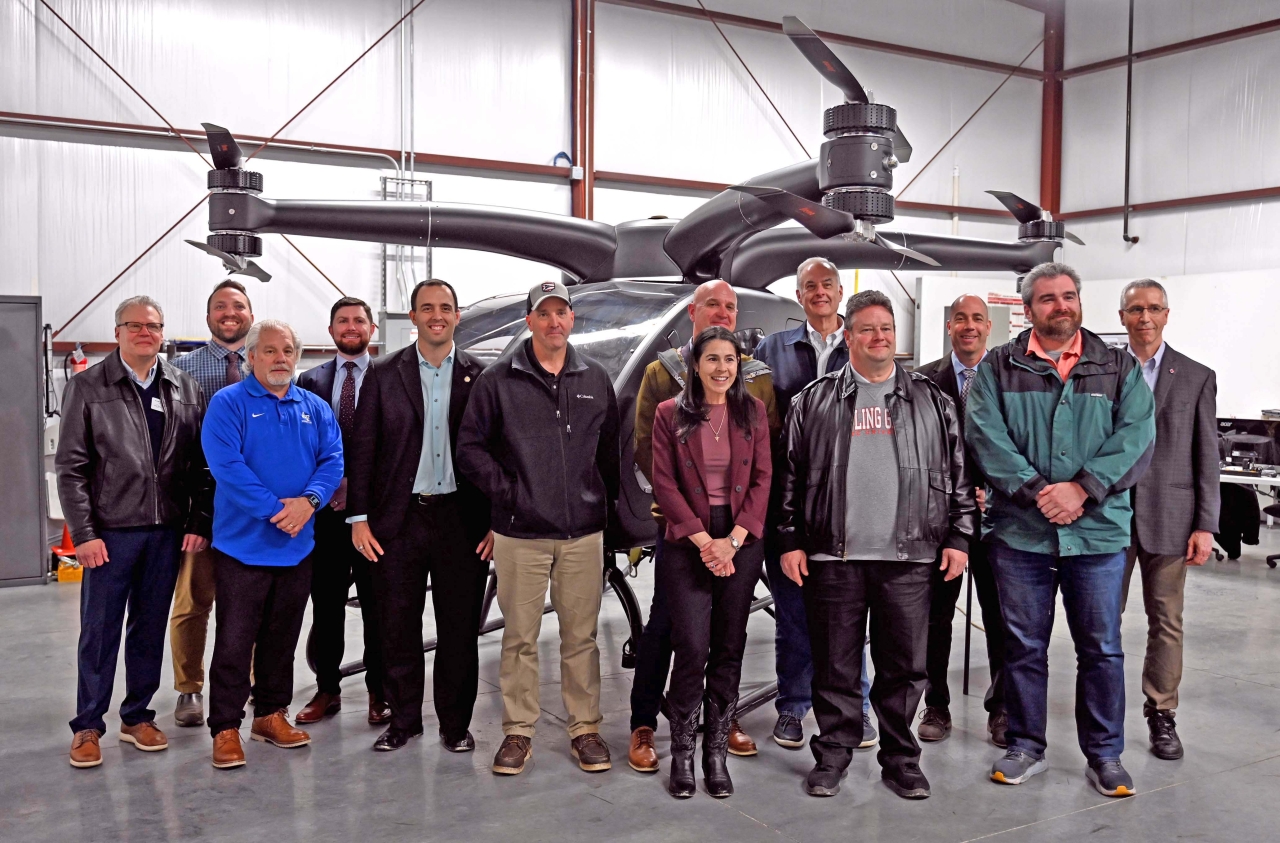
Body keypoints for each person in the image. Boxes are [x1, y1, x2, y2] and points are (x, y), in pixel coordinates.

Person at [966, 262, 1155, 798]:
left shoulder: (1116, 367)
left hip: (1097, 536)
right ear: (1027, 310)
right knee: (1023, 645)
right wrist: (1036, 492)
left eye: (1068, 296)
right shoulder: (997, 368)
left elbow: (1137, 436)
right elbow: (985, 437)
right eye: (1047, 299)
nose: (1061, 306)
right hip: (1020, 533)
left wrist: (1082, 489)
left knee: (1101, 647)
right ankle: (1026, 744)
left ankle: (1105, 754)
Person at [778, 290, 975, 800]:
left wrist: (958, 536)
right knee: (835, 665)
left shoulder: (933, 400)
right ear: (848, 336)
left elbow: (957, 475)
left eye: (886, 327)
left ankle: (901, 760)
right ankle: (834, 756)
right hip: (834, 556)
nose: (879, 337)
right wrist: (791, 539)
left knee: (905, 668)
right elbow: (790, 480)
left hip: (909, 557)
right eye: (866, 328)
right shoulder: (813, 401)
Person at [457, 280, 620, 776]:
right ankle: (518, 732)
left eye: (562, 313)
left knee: (581, 637)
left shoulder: (595, 377)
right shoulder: (498, 379)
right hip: (520, 534)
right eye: (543, 314)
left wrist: (603, 513)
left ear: (573, 319)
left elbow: (609, 455)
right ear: (529, 320)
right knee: (520, 638)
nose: (554, 322)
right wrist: (511, 494)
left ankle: (584, 728)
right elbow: (470, 449)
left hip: (582, 534)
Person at [628, 278, 778, 771]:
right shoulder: (660, 375)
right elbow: (649, 455)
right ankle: (646, 721)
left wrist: (733, 538)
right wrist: (695, 531)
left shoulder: (756, 384)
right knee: (669, 629)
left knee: (727, 635)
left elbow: (764, 461)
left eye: (731, 306)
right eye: (712, 304)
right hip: (681, 526)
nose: (722, 312)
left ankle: (718, 722)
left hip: (736, 530)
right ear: (692, 313)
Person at [57, 296, 212, 769]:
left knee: (148, 628)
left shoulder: (183, 386)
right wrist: (84, 533)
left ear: (163, 333)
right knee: (100, 632)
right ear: (118, 331)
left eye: (155, 326)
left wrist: (197, 520)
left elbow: (199, 466)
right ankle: (88, 724)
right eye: (136, 326)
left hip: (165, 531)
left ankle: (137, 716)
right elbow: (71, 467)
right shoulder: (88, 385)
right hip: (110, 532)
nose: (146, 332)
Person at [346, 280, 492, 753]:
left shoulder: (480, 375)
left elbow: (496, 452)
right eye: (426, 308)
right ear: (411, 317)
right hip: (398, 520)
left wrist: (494, 520)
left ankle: (455, 724)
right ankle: (404, 720)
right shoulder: (385, 374)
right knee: (397, 625)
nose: (436, 315)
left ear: (457, 315)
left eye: (445, 307)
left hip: (461, 521)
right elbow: (363, 449)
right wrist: (359, 518)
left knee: (458, 627)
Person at [201, 320, 343, 769]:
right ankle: (225, 726)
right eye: (269, 351)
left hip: (297, 546)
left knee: (282, 638)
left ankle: (269, 714)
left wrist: (309, 503)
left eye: (287, 350)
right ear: (251, 356)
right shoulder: (228, 404)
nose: (280, 358)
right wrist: (277, 510)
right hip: (242, 548)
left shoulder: (315, 407)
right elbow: (227, 466)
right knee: (234, 641)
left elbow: (332, 459)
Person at [754, 258, 877, 752]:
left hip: (852, 498)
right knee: (793, 611)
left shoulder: (862, 342)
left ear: (840, 290)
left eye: (827, 284)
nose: (819, 292)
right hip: (789, 498)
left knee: (851, 612)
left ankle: (858, 705)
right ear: (799, 295)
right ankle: (793, 705)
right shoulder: (772, 348)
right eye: (810, 286)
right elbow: (756, 419)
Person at [651, 327, 772, 799]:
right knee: (692, 645)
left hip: (740, 538)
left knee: (728, 645)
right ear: (694, 366)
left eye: (730, 359)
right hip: (689, 539)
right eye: (712, 359)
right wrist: (706, 543)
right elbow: (664, 484)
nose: (722, 368)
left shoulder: (753, 412)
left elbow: (763, 478)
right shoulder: (669, 414)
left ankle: (715, 751)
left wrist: (734, 541)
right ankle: (682, 750)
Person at [1118, 279, 1219, 761]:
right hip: (1109, 517)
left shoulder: (1197, 376)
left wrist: (1206, 524)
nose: (1145, 317)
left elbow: (1207, 456)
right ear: (1122, 318)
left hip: (1172, 518)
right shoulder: (1103, 371)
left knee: (1167, 621)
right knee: (1100, 620)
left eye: (1154, 308)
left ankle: (1162, 713)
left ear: (1167, 314)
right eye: (1136, 309)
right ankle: (1101, 709)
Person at [914, 295, 1009, 746]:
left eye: (976, 319)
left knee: (1001, 616)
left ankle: (1003, 706)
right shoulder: (922, 380)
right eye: (959, 319)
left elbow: (1020, 442)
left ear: (989, 327)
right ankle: (936, 704)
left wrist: (997, 488)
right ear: (948, 326)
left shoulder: (1010, 376)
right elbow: (915, 451)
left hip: (998, 516)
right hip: (941, 519)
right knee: (935, 618)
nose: (968, 326)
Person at [294, 297, 390, 727]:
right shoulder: (308, 381)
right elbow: (300, 447)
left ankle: (379, 693)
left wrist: (361, 490)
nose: (351, 327)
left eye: (359, 320)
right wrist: (328, 488)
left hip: (375, 516)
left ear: (372, 328)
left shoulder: (392, 378)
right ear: (331, 330)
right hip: (326, 514)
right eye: (343, 321)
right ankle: (327, 690)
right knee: (327, 606)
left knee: (378, 606)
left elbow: (398, 447)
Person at [168, 279, 255, 728]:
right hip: (201, 510)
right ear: (208, 317)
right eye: (220, 306)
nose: (229, 313)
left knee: (253, 599)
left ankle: (257, 682)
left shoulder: (269, 366)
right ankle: (188, 689)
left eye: (238, 306)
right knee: (193, 602)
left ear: (250, 315)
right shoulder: (181, 371)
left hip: (254, 511)